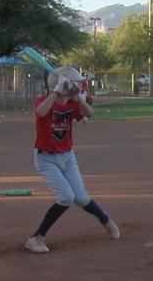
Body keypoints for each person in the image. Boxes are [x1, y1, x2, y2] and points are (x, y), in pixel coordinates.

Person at [25, 67, 120, 254]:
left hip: (67, 156)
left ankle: (105, 220)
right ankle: (36, 238)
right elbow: (41, 112)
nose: (79, 85)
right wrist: (56, 93)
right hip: (46, 159)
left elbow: (89, 114)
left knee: (81, 197)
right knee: (66, 197)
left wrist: (77, 99)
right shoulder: (44, 101)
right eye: (75, 82)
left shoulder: (72, 103)